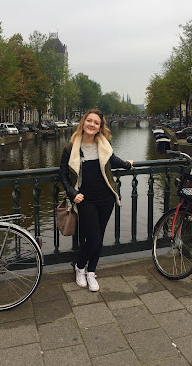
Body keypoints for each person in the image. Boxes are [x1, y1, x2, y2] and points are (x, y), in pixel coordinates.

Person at [59, 109, 133, 292]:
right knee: (92, 238)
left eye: (96, 122)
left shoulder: (104, 144)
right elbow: (62, 174)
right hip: (85, 199)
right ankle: (79, 266)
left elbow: (112, 160)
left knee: (98, 237)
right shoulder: (71, 148)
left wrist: (127, 164)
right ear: (83, 123)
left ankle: (91, 272)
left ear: (100, 127)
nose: (92, 125)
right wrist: (71, 192)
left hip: (106, 197)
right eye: (89, 121)